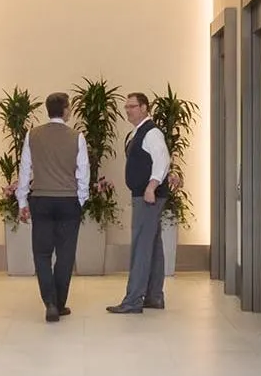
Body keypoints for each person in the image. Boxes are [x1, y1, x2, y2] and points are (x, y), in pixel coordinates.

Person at [16, 91, 91, 321]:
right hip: (69, 201)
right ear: (66, 110)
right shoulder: (77, 136)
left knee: (41, 252)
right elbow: (83, 173)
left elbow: (25, 170)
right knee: (66, 254)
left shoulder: (33, 135)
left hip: (42, 200)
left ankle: (49, 302)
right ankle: (59, 303)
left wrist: (22, 201)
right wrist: (80, 199)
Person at [107, 91, 169, 314]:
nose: (128, 111)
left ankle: (133, 299)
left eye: (132, 106)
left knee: (141, 246)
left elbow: (162, 159)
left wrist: (152, 186)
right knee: (153, 245)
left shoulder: (151, 133)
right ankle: (154, 296)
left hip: (147, 196)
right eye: (126, 107)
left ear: (144, 107)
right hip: (145, 194)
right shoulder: (138, 133)